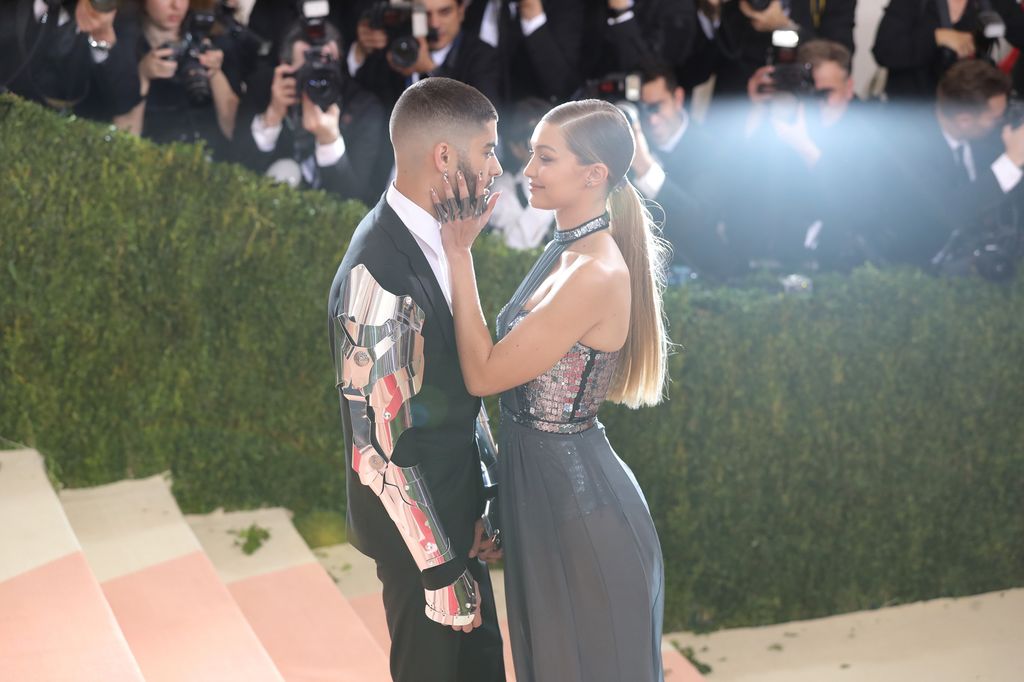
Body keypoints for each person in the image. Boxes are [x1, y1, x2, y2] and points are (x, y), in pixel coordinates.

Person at [437, 99, 668, 682]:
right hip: (545, 497)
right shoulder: (565, 250)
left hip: (582, 514)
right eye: (530, 153)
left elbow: (486, 376)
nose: (528, 169)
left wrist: (459, 252)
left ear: (594, 175)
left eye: (545, 156)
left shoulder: (595, 272)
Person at [326, 77, 505, 682]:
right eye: (488, 150)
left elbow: (459, 390)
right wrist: (438, 571)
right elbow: (376, 447)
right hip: (421, 549)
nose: (498, 166)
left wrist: (484, 498)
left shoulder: (444, 238)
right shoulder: (378, 269)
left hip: (459, 520)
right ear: (445, 158)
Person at [234, 20, 384, 204]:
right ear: (285, 67)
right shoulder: (265, 89)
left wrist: (329, 141)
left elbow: (354, 202)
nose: (317, 76)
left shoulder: (365, 107)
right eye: (308, 66)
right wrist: (271, 118)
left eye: (327, 64)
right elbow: (237, 170)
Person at [113, 0, 242, 158]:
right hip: (155, 162)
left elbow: (237, 132)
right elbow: (125, 139)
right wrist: (143, 76)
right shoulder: (123, 45)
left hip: (214, 161)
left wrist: (215, 73)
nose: (176, 6)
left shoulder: (212, 37)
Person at [873, 0, 1024, 101]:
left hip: (970, 114)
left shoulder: (994, 2)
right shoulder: (913, 3)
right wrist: (937, 37)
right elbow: (884, 50)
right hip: (913, 110)